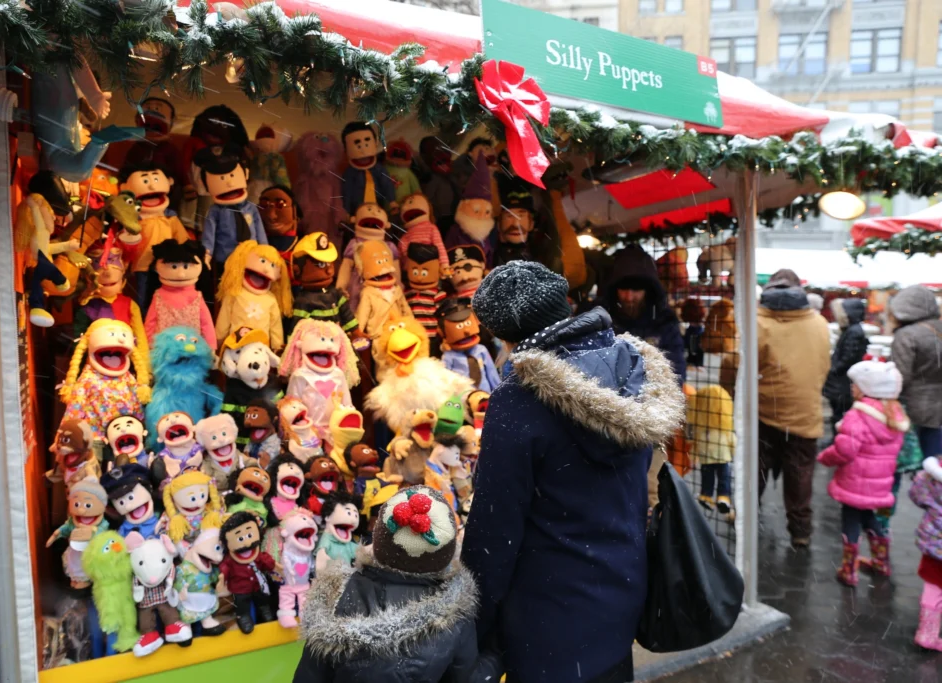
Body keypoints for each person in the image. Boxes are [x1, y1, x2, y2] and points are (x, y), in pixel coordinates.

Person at [462, 261, 684, 683]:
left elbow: (495, 532)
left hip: (546, 616)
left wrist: (474, 623)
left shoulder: (520, 400)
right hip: (621, 593)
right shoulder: (629, 367)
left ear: (504, 333)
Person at [293, 486, 478, 683]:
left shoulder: (334, 599)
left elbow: (309, 676)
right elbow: (464, 676)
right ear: (446, 554)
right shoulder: (457, 616)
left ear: (379, 540)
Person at [757, 269, 831, 549]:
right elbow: (823, 367)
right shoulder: (820, 323)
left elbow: (744, 368)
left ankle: (746, 517)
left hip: (765, 411)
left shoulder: (756, 323)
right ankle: (800, 530)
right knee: (800, 474)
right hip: (805, 412)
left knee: (757, 470)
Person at [817, 361, 908, 586]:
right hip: (879, 482)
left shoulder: (857, 416)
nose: (851, 387)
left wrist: (825, 457)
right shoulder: (894, 413)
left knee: (851, 520)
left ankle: (849, 569)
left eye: (855, 384)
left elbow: (845, 450)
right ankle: (881, 561)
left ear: (867, 388)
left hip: (854, 481)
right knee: (869, 517)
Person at [600, 244, 686, 383]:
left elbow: (675, 370)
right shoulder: (602, 318)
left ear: (648, 291)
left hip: (652, 397)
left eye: (636, 290)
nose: (628, 297)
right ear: (614, 289)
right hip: (608, 397)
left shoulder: (664, 321)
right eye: (623, 289)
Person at [889, 285, 942, 458]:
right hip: (938, 407)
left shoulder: (907, 335)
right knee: (934, 460)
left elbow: (899, 377)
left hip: (914, 407)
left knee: (905, 459)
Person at [908, 454, 942, 651]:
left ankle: (926, 633)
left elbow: (916, 493)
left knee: (933, 586)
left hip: (934, 545)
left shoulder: (933, 473)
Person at [823, 298, 869, 427]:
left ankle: (837, 440)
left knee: (840, 413)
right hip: (842, 382)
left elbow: (847, 358)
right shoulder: (852, 330)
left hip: (842, 383)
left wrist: (833, 370)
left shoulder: (853, 331)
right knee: (840, 412)